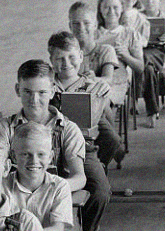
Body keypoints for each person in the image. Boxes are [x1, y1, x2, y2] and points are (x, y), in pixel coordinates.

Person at [0, 59, 109, 231]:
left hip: (54, 203)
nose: (34, 100)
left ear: (53, 90)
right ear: (17, 90)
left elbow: (79, 177)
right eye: (27, 92)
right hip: (14, 201)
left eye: (42, 93)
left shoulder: (68, 129)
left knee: (100, 193)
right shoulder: (5, 127)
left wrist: (48, 190)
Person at [7, 122, 74, 231]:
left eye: (41, 155)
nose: (34, 161)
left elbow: (57, 230)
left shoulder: (59, 186)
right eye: (25, 154)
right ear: (13, 156)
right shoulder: (2, 185)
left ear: (51, 157)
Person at [48, 30, 123, 169]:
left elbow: (104, 110)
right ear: (51, 61)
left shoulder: (91, 84)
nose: (66, 63)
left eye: (72, 57)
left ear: (81, 56)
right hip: (56, 126)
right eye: (59, 59)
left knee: (113, 139)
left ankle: (100, 164)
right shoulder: (48, 84)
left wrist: (104, 92)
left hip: (87, 124)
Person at [96, 0, 149, 126]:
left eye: (115, 7)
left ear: (122, 9)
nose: (111, 12)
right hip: (95, 79)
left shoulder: (130, 34)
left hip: (117, 81)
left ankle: (108, 137)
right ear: (100, 9)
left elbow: (140, 67)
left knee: (101, 101)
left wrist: (125, 55)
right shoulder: (93, 33)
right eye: (106, 7)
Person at [140, 0, 165, 127]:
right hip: (140, 51)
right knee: (147, 69)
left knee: (145, 61)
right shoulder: (138, 17)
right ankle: (152, 111)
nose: (150, 1)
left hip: (157, 52)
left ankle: (149, 109)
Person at [68, 1, 121, 81]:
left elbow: (108, 79)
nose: (81, 28)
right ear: (70, 26)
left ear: (95, 25)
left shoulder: (106, 51)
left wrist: (94, 79)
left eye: (86, 23)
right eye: (76, 23)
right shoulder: (66, 53)